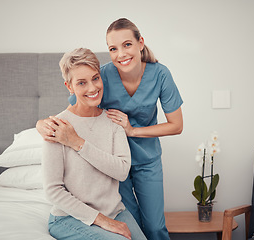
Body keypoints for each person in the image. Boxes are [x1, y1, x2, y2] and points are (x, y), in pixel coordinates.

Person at [37, 18, 183, 240]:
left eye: (127, 45)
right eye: (113, 48)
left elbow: (177, 125)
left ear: (140, 43)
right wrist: (43, 125)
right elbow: (76, 108)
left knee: (154, 226)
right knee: (129, 219)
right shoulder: (102, 74)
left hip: (145, 157)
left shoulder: (160, 74)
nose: (121, 54)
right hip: (111, 164)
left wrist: (132, 131)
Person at [42, 47, 147, 240]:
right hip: (69, 218)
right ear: (69, 86)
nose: (92, 88)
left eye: (95, 78)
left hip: (115, 212)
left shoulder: (113, 121)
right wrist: (101, 220)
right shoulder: (58, 127)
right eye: (81, 83)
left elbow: (122, 171)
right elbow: (52, 190)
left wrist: (78, 143)